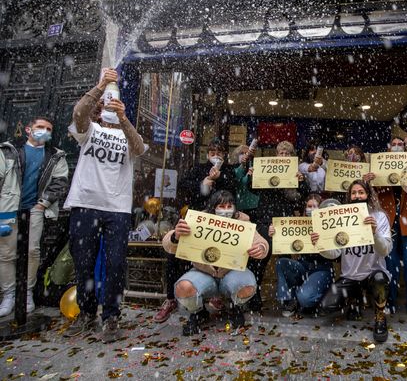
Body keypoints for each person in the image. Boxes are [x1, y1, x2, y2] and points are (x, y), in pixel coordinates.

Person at [62, 68, 146, 343]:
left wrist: (123, 117)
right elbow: (78, 113)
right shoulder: (88, 130)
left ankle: (111, 317)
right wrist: (100, 86)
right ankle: (87, 313)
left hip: (118, 209)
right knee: (83, 263)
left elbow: (139, 146)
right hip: (85, 204)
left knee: (116, 264)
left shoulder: (127, 135)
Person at [162, 190, 268, 335]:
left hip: (231, 273)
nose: (225, 210)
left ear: (234, 208)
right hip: (203, 273)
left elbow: (260, 241)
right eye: (221, 206)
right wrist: (175, 235)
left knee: (248, 286)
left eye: (229, 206)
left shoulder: (243, 222)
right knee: (183, 288)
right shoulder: (199, 220)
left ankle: (235, 307)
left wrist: (261, 248)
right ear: (213, 207)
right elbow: (168, 245)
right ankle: (198, 312)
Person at [155, 140, 234, 323]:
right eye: (212, 151)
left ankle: (215, 295)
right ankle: (171, 298)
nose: (215, 155)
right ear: (207, 154)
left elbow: (232, 192)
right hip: (196, 221)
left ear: (224, 155)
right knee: (176, 255)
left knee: (216, 258)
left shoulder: (228, 171)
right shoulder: (198, 168)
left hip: (219, 224)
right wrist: (203, 182)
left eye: (219, 152)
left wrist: (218, 179)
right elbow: (183, 185)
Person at [0, 116, 69, 317]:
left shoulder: (56, 156)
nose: (45, 131)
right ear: (29, 129)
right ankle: (9, 294)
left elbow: (60, 182)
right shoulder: (10, 151)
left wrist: (42, 203)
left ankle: (26, 292)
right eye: (40, 127)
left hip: (35, 211)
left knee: (31, 251)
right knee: (6, 253)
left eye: (48, 129)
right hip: (8, 208)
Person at [315, 180, 393, 343]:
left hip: (373, 273)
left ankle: (380, 317)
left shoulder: (379, 216)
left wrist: (374, 234)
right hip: (350, 276)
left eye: (361, 192)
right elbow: (334, 253)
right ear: (349, 196)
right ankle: (355, 301)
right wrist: (320, 245)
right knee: (326, 307)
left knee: (379, 279)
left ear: (368, 195)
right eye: (354, 193)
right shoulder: (341, 218)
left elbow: (385, 250)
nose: (357, 195)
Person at [248, 140, 308, 311]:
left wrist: (302, 181)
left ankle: (287, 297)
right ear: (276, 155)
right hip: (265, 219)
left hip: (285, 221)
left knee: (286, 260)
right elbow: (252, 189)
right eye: (281, 153)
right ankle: (254, 294)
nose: (283, 156)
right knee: (260, 258)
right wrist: (251, 177)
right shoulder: (265, 170)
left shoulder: (296, 173)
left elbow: (303, 195)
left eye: (287, 153)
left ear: (291, 156)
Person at [375, 137, 407, 318]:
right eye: (394, 144)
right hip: (388, 222)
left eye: (400, 144)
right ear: (388, 148)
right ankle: (390, 301)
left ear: (405, 148)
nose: (397, 147)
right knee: (390, 264)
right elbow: (374, 195)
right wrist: (373, 179)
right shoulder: (381, 166)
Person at [272, 194, 334, 317]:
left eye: (315, 206)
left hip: (322, 268)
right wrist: (275, 232)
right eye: (309, 206)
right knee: (282, 263)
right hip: (303, 265)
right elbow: (284, 239)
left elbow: (335, 254)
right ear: (305, 209)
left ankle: (323, 295)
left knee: (305, 299)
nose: (312, 209)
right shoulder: (298, 224)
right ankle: (289, 300)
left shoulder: (328, 225)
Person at [230, 144, 260, 222]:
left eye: (246, 153)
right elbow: (239, 182)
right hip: (239, 204)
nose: (244, 155)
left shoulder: (253, 166)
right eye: (241, 153)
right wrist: (246, 175)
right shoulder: (233, 168)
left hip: (253, 205)